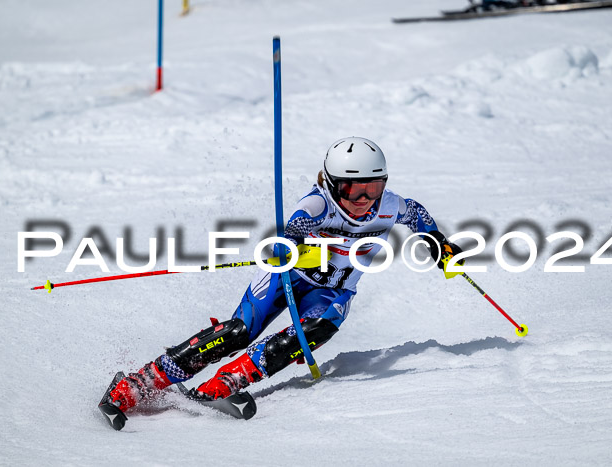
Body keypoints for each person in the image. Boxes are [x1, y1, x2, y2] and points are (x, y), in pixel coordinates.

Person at [99, 137, 462, 426]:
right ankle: (138, 383)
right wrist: (291, 241)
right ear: (334, 185)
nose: (365, 200)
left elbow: (415, 213)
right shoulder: (320, 203)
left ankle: (223, 385)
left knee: (315, 329)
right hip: (287, 276)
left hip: (332, 290)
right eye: (354, 191)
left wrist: (438, 243)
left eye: (374, 187)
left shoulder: (390, 205)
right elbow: (300, 221)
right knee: (239, 332)